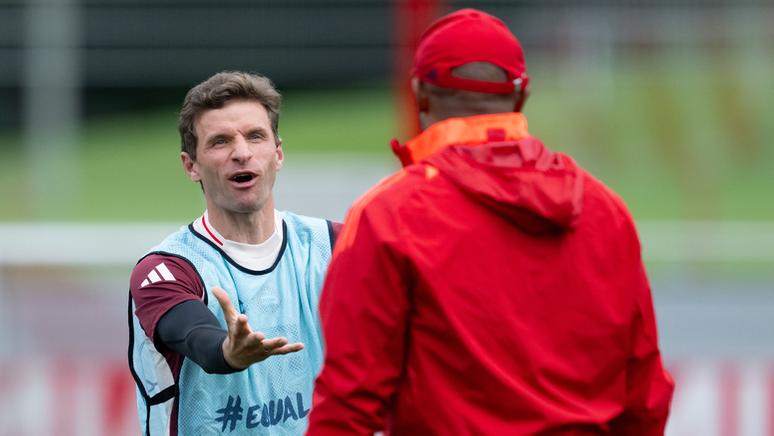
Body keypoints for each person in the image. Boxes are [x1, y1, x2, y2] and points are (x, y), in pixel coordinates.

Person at [308, 8, 674, 435]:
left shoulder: (388, 215)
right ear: (521, 97)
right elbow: (646, 397)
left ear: (419, 95)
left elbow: (348, 405)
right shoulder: (605, 210)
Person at [128, 71, 339, 435]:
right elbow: (198, 338)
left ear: (278, 153)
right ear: (191, 165)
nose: (241, 153)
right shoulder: (167, 268)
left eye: (255, 137)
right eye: (220, 142)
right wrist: (229, 351)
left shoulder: (336, 244)